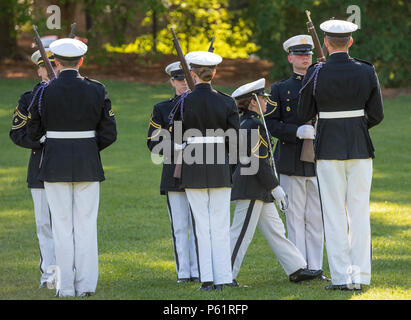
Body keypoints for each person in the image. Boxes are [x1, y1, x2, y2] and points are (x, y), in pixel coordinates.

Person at [27, 38, 117, 297]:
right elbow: (109, 133)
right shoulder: (96, 89)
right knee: (86, 225)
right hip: (87, 164)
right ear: (81, 61)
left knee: (62, 227)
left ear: (55, 62)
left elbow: (32, 130)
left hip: (55, 164)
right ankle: (86, 285)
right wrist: (87, 148)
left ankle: (64, 287)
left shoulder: (44, 91)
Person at [298, 20, 384, 291]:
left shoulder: (315, 72)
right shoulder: (366, 70)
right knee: (358, 212)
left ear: (325, 42)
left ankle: (341, 278)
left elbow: (303, 114)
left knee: (334, 214)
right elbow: (377, 114)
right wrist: (357, 127)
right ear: (350, 42)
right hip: (359, 148)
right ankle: (360, 277)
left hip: (328, 149)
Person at [229, 78, 322, 286]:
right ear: (253, 102)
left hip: (259, 188)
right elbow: (257, 162)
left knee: (276, 231)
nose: (265, 101)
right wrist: (275, 187)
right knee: (241, 233)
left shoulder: (250, 123)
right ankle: (226, 275)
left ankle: (297, 268)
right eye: (262, 98)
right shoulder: (252, 125)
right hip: (252, 187)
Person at [265, 35, 327, 280]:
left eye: (309, 54)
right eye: (300, 55)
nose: (305, 58)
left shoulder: (324, 83)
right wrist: (295, 132)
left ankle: (316, 267)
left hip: (320, 159)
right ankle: (299, 268)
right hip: (291, 159)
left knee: (316, 218)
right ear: (290, 58)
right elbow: (271, 124)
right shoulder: (280, 89)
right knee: (294, 217)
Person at [178, 51, 240, 291]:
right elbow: (234, 141)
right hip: (219, 166)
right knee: (220, 225)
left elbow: (176, 134)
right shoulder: (226, 101)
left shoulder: (184, 101)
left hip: (193, 165)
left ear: (193, 73)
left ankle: (206, 278)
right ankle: (223, 276)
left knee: (201, 226)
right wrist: (229, 167)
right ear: (214, 73)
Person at [9, 47, 58, 289]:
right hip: (39, 167)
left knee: (67, 223)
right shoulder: (29, 98)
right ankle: (49, 275)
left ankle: (69, 272)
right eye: (45, 66)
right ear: (39, 70)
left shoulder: (74, 94)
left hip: (69, 168)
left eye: (55, 65)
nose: (50, 70)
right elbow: (16, 132)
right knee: (44, 224)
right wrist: (39, 140)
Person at [147, 61, 198, 283]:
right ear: (171, 81)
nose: (183, 83)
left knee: (198, 224)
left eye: (187, 78)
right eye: (178, 79)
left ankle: (198, 270)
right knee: (179, 225)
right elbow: (152, 141)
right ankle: (183, 272)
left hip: (199, 168)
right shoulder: (162, 108)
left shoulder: (202, 104)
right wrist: (173, 146)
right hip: (174, 170)